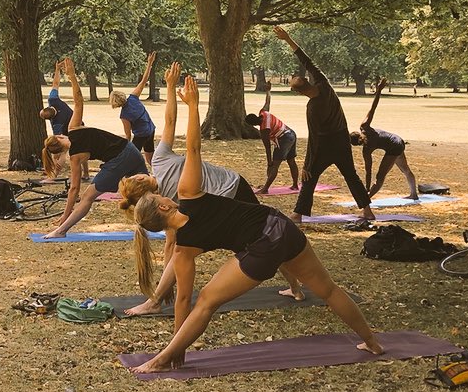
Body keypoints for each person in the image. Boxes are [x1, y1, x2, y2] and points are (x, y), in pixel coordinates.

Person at [129, 75, 384, 374]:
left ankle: (161, 359)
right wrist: (194, 106)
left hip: (263, 246)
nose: (163, 193)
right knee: (327, 290)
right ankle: (372, 342)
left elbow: (184, 300)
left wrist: (176, 346)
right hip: (281, 225)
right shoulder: (188, 193)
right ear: (163, 206)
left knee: (207, 300)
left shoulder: (183, 250)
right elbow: (194, 149)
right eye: (159, 196)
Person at [118, 61, 303, 314]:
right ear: (145, 188)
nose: (139, 175)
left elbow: (169, 120)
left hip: (232, 188)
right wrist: (171, 87)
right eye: (137, 179)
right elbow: (170, 122)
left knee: (265, 236)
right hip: (228, 194)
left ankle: (294, 286)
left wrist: (171, 87)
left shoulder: (164, 187)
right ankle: (155, 301)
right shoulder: (167, 189)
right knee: (264, 236)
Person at [272, 27, 375, 225]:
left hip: (329, 142)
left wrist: (288, 39)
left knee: (313, 177)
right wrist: (307, 165)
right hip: (340, 140)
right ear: (301, 87)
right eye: (295, 79)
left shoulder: (317, 96)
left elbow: (306, 60)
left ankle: (298, 215)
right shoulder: (322, 88)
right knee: (348, 176)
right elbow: (314, 136)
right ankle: (367, 211)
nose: (296, 76)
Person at [41, 57, 146, 238]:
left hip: (119, 159)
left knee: (88, 196)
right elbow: (78, 101)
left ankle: (61, 231)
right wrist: (72, 76)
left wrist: (65, 215)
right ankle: (172, 216)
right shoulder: (73, 128)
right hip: (132, 150)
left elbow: (74, 189)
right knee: (147, 191)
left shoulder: (75, 157)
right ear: (59, 137)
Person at [351, 78, 419, 200]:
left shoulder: (366, 150)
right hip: (398, 140)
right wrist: (379, 91)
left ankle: (366, 200)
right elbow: (373, 108)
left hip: (394, 146)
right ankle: (414, 194)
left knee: (380, 177)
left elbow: (368, 171)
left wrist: (367, 187)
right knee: (405, 170)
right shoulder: (364, 126)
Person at [244, 81, 300, 194]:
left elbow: (268, 148)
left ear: (253, 125)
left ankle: (265, 189)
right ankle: (295, 185)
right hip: (291, 133)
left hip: (283, 138)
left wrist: (269, 163)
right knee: (291, 161)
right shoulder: (263, 113)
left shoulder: (264, 129)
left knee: (275, 164)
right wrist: (268, 91)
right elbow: (267, 101)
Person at [109, 52, 157, 166]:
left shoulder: (124, 115)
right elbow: (144, 80)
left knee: (131, 157)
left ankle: (132, 173)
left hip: (141, 135)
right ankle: (158, 171)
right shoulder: (133, 97)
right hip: (151, 130)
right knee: (150, 157)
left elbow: (128, 135)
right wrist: (149, 63)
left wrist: (125, 147)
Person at [39, 61, 74, 135]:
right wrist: (57, 69)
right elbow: (55, 84)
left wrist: (57, 69)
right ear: (48, 107)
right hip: (76, 129)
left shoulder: (56, 124)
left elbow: (58, 137)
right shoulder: (53, 100)